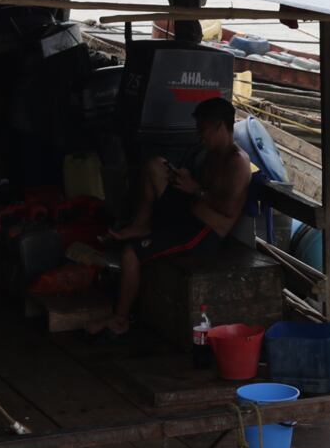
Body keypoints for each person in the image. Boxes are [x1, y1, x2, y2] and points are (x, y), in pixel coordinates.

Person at [91, 95, 251, 335]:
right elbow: (201, 187)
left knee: (130, 253)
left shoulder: (237, 162)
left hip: (205, 232)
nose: (200, 135)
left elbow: (228, 209)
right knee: (155, 166)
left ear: (220, 126)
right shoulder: (209, 152)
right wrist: (184, 180)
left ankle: (120, 319)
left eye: (203, 129)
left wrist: (195, 189)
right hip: (192, 210)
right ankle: (141, 224)